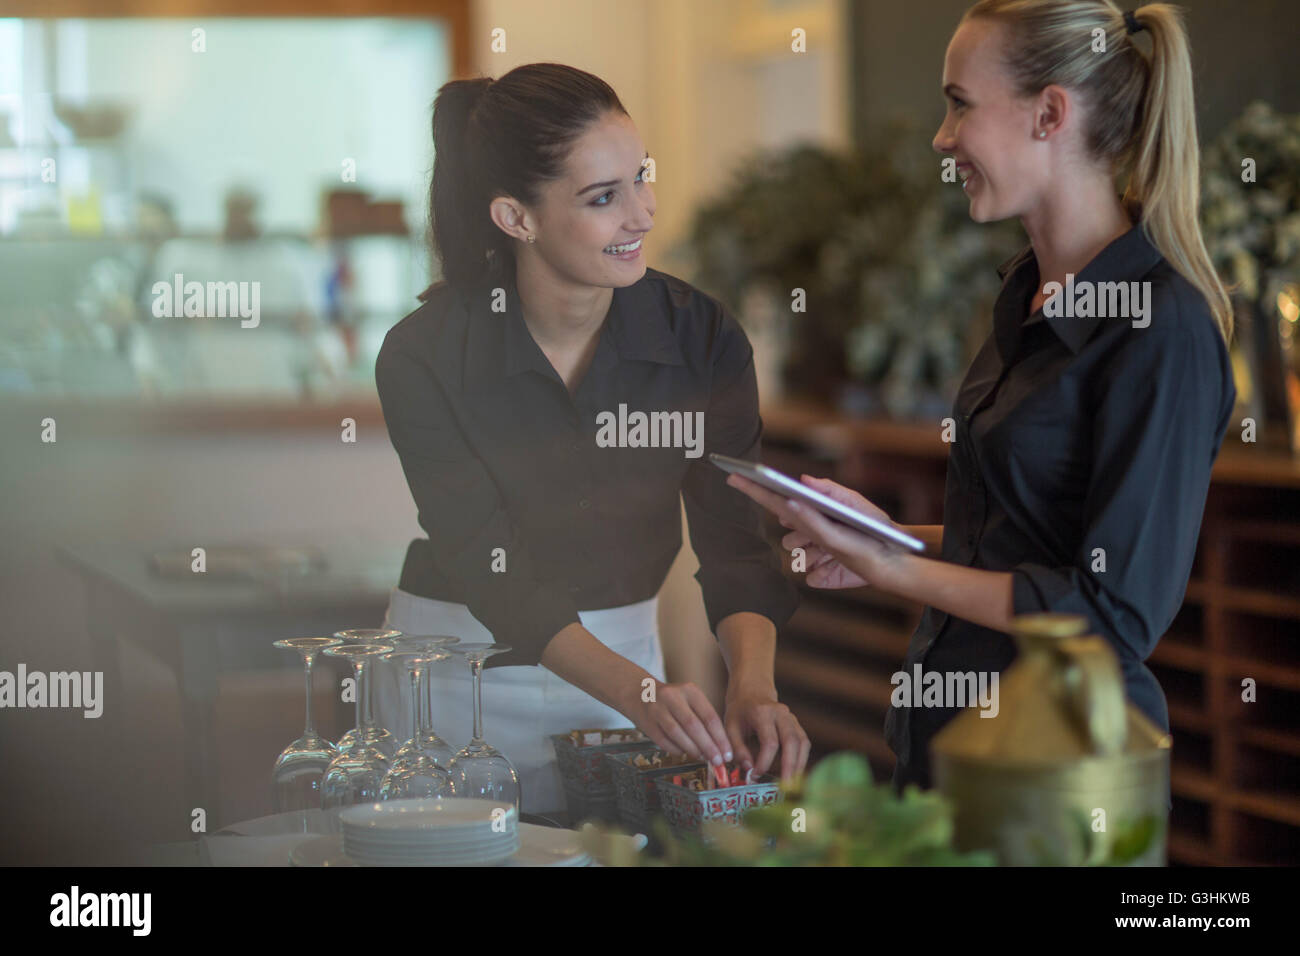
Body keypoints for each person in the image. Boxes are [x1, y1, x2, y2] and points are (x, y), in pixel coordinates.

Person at [728, 1, 1235, 802]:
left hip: (1055, 779)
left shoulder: (1161, 327)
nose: (941, 136)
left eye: (959, 102)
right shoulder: (1025, 297)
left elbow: (1112, 615)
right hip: (948, 746)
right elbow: (1023, 543)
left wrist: (894, 567)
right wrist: (886, 536)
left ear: (1050, 113)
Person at [373, 63, 809, 815]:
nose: (642, 214)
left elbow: (735, 542)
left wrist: (753, 684)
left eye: (640, 179)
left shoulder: (702, 339)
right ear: (517, 218)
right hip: (455, 677)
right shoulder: (424, 356)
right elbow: (491, 565)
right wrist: (641, 693)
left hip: (626, 675)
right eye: (604, 198)